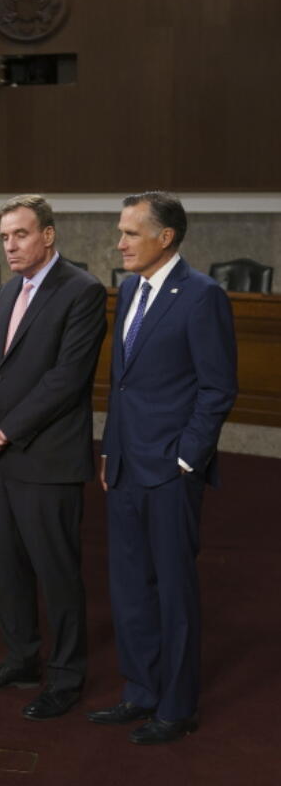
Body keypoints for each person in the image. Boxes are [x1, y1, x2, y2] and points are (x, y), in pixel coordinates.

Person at [90, 192, 236, 744]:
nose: (120, 242)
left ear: (165, 237)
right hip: (127, 463)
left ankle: (176, 707)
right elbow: (123, 385)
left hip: (172, 470)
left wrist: (185, 457)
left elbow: (217, 387)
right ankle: (141, 692)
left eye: (130, 233)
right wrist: (112, 449)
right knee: (129, 587)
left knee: (173, 592)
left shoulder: (202, 297)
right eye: (121, 232)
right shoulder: (129, 289)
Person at [0, 195, 107, 721]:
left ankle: (66, 677)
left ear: (47, 235)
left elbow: (66, 380)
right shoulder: (7, 291)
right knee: (6, 571)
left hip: (46, 461)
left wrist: (4, 430)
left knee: (57, 573)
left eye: (20, 234)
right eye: (4, 237)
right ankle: (21, 659)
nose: (10, 245)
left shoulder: (82, 291)